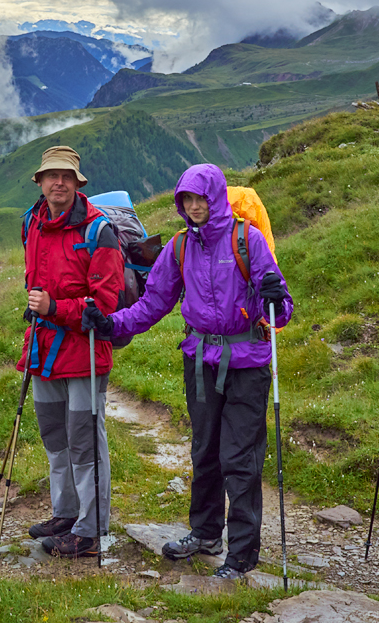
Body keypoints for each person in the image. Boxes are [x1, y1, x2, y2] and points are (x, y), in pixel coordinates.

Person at [83, 164, 293, 579]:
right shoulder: (180, 247)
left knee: (240, 457)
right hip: (199, 361)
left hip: (247, 363)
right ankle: (206, 534)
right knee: (205, 451)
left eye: (200, 199)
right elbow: (153, 302)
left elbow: (281, 308)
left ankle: (243, 553)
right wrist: (112, 323)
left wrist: (276, 298)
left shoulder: (246, 239)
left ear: (215, 197)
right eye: (187, 200)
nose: (194, 207)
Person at [18, 145, 125, 558]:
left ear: (77, 183)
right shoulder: (32, 222)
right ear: (41, 182)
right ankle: (65, 513)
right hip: (43, 351)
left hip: (85, 352)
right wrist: (42, 313)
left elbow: (107, 303)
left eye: (66, 176)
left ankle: (90, 529)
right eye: (51, 176)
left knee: (84, 442)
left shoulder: (98, 231)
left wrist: (55, 309)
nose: (58, 182)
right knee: (55, 437)